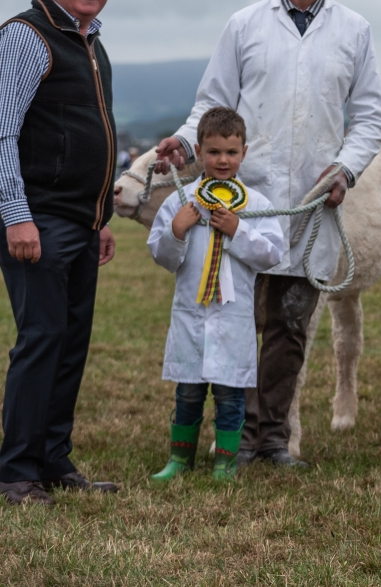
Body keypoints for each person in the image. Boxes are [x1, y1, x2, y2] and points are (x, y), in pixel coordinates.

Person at [154, 0, 381, 468]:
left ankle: (273, 440)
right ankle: (234, 438)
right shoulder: (245, 25)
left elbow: (371, 116)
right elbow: (212, 104)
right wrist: (185, 142)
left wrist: (345, 169)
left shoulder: (354, 30)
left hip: (310, 205)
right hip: (242, 205)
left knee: (290, 328)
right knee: (236, 322)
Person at [0, 0, 121, 505]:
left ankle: (53, 459)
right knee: (41, 340)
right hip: (35, 219)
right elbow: (0, 135)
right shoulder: (26, 36)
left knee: (69, 343)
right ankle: (17, 472)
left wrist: (100, 216)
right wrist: (17, 216)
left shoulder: (91, 43)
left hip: (79, 223)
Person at [147, 107, 284, 482]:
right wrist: (177, 230)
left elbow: (272, 254)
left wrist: (238, 230)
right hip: (191, 314)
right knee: (188, 392)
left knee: (230, 393)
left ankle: (226, 463)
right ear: (199, 151)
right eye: (213, 152)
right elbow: (162, 255)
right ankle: (180, 459)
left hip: (232, 318)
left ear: (243, 152)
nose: (222, 160)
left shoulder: (256, 205)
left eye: (231, 152)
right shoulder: (181, 200)